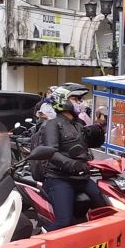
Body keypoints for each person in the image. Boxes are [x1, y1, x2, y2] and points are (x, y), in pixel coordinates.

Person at [40, 93, 106, 230]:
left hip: (82, 177)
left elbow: (87, 146)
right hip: (60, 178)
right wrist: (73, 164)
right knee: (64, 222)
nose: (80, 102)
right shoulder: (52, 124)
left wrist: (98, 133)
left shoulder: (78, 125)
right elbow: (51, 153)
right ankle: (41, 242)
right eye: (76, 99)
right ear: (64, 103)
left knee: (104, 210)